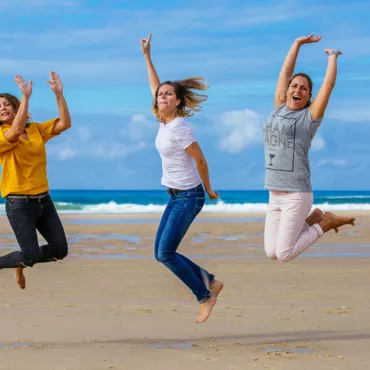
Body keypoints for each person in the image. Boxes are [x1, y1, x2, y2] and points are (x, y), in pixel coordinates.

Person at [140, 33, 223, 323]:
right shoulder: (163, 120)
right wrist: (148, 56)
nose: (162, 96)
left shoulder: (180, 127)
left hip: (189, 195)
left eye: (167, 94)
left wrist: (209, 190)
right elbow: (155, 85)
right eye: (160, 94)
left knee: (165, 253)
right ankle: (210, 281)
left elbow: (200, 159)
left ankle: (205, 294)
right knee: (161, 252)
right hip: (175, 196)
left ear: (177, 102)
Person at [264, 34, 355, 262]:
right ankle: (315, 218)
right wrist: (296, 44)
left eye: (304, 88)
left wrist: (332, 56)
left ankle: (325, 222)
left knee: (284, 254)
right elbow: (284, 74)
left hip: (297, 193)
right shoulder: (278, 108)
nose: (298, 90)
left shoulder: (309, 117)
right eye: (294, 86)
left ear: (309, 97)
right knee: (271, 253)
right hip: (275, 193)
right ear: (287, 92)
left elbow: (329, 85)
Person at [0, 71, 71, 289]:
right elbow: (14, 132)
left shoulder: (35, 130)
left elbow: (64, 124)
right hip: (19, 204)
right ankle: (19, 261)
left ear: (14, 105)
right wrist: (27, 98)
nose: (2, 108)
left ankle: (19, 260)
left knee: (60, 250)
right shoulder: (2, 134)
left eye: (5, 104)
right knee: (29, 255)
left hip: (43, 201)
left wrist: (59, 95)